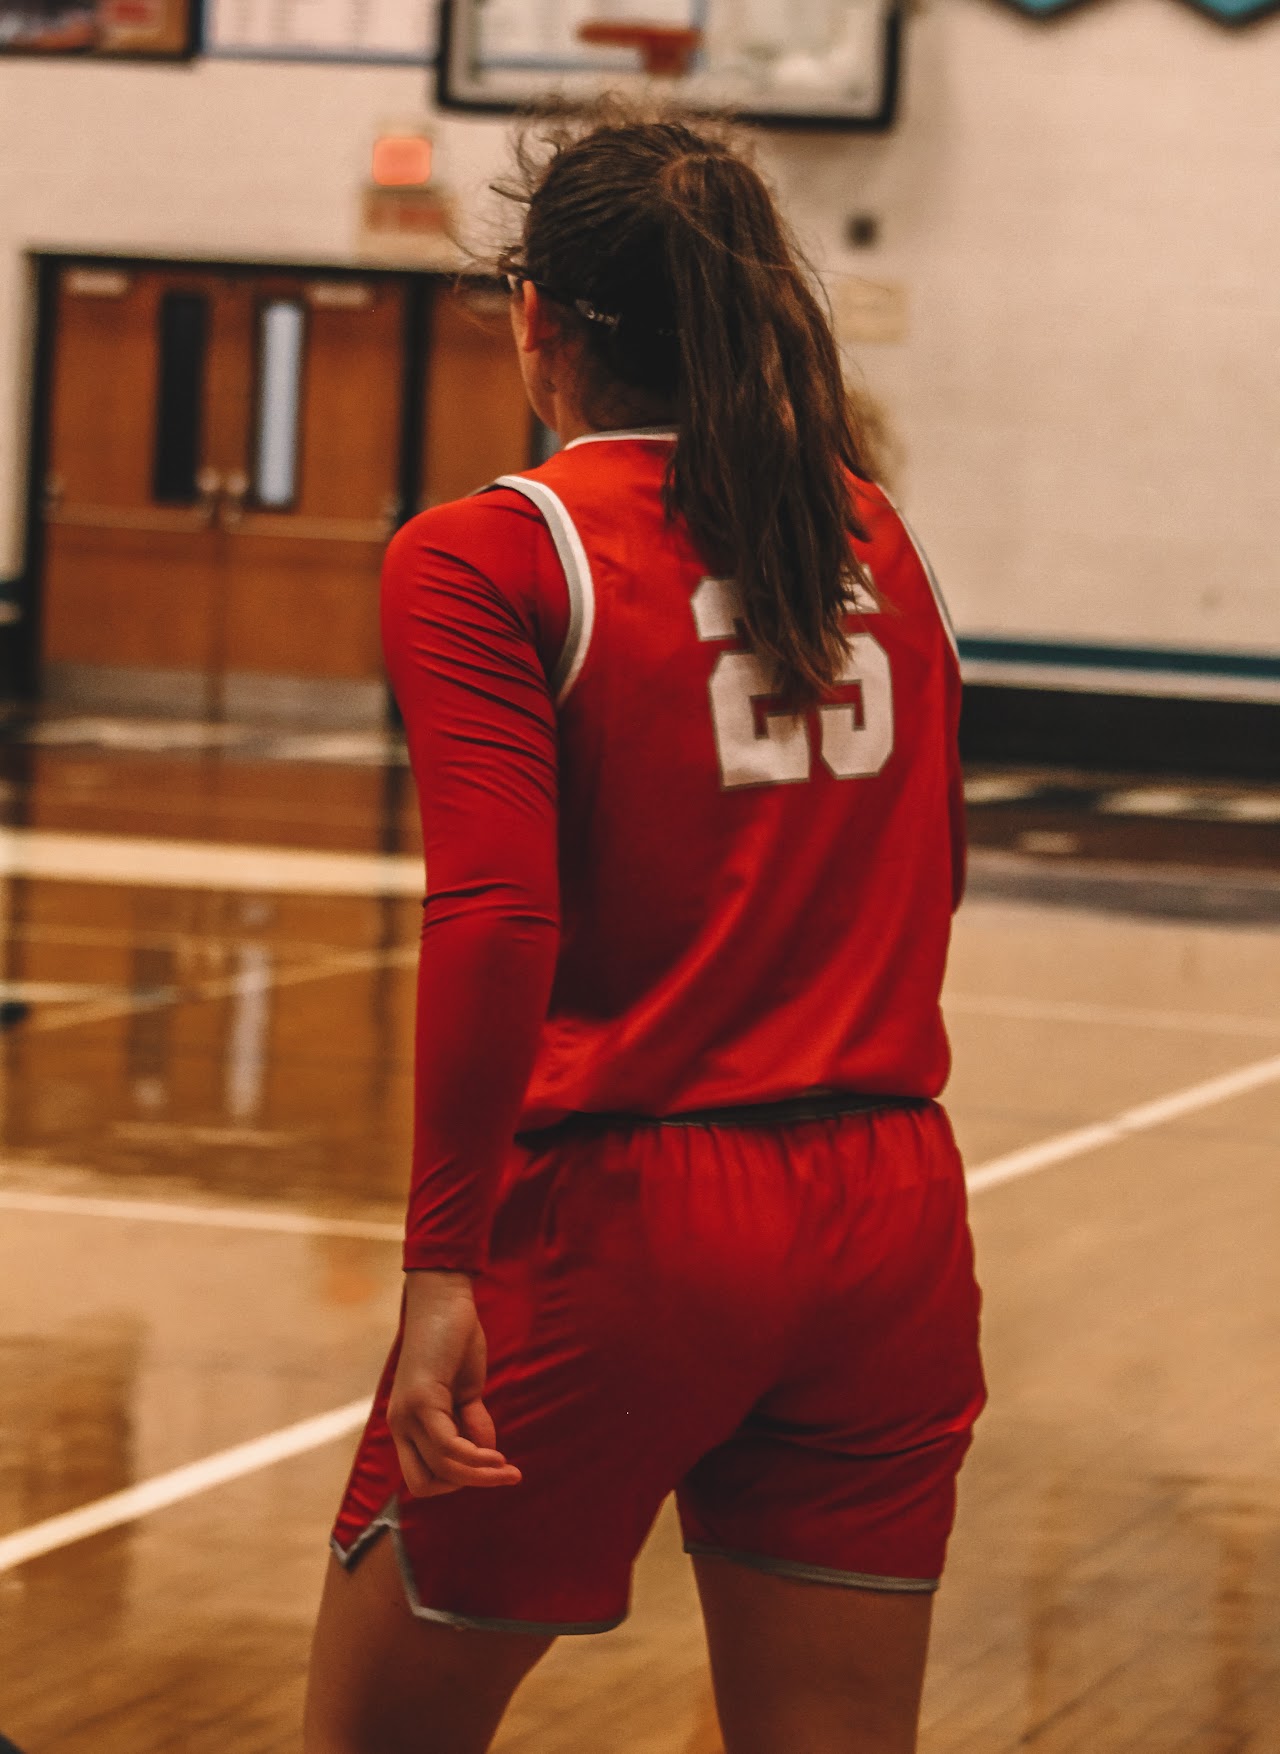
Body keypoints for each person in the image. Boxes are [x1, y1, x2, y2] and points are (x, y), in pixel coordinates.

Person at [304, 108, 985, 1754]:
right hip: (891, 1212)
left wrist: (444, 1262)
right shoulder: (873, 537)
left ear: (539, 315)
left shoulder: (486, 551)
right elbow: (933, 874)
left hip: (624, 1217)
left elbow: (494, 914)